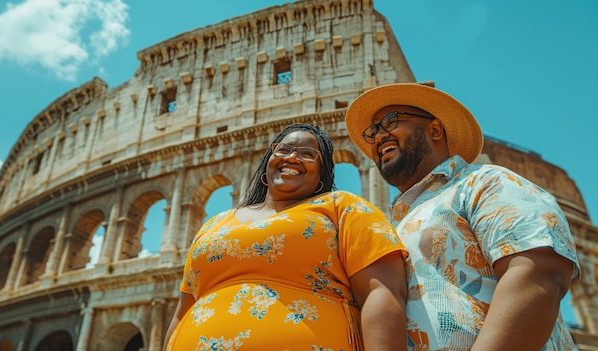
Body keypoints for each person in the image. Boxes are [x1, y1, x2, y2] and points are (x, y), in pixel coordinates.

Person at [344, 83, 581, 351]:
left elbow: (538, 273)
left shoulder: (486, 182)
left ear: (435, 129)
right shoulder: (393, 226)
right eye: (372, 131)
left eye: (391, 121)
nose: (378, 136)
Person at [164, 123, 408, 350]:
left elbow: (382, 291)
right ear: (267, 160)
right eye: (284, 150)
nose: (292, 157)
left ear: (322, 174)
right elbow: (182, 312)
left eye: (307, 154)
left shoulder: (343, 207)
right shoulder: (215, 224)